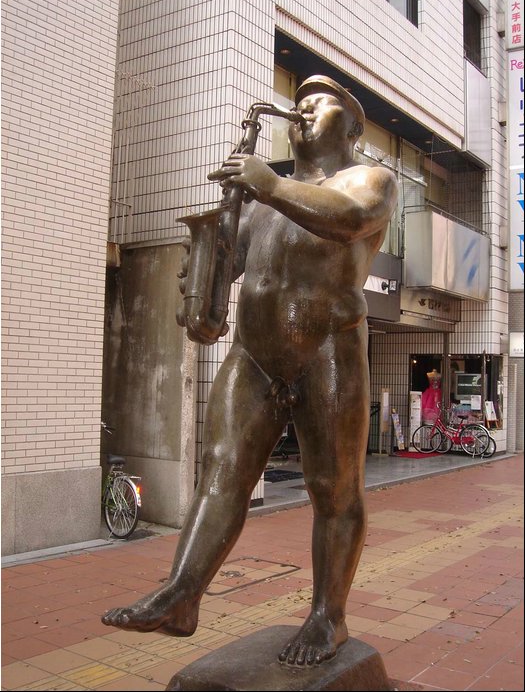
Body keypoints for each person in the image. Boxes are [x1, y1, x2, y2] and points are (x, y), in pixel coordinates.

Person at [101, 75, 398, 667]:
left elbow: (348, 217)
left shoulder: (369, 179)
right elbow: (234, 263)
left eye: (320, 105)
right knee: (221, 471)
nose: (304, 112)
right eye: (301, 104)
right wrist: (206, 278)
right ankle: (182, 593)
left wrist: (268, 183)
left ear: (354, 127)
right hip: (254, 350)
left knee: (333, 490)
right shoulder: (269, 198)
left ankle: (328, 617)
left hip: (328, 348)